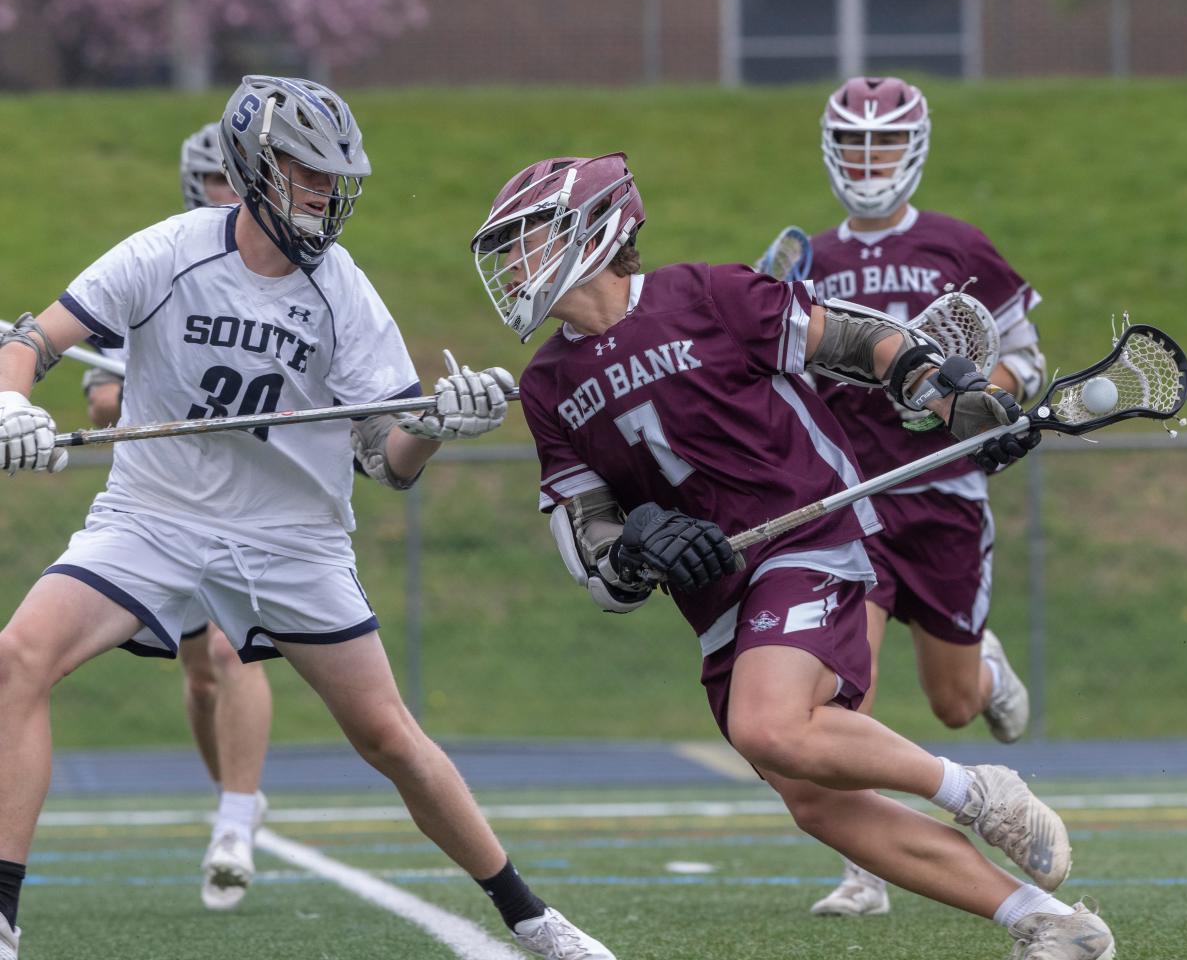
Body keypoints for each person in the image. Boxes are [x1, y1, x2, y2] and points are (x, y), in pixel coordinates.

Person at [0, 75, 613, 960]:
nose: (326, 194)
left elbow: (388, 460)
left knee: (387, 736)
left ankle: (531, 918)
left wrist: (437, 426)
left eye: (335, 176)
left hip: (291, 538)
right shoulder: (169, 251)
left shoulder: (342, 290)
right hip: (153, 516)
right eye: (306, 171)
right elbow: (31, 341)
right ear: (254, 167)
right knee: (19, 658)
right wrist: (14, 407)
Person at [468, 152, 1116, 960]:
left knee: (767, 726)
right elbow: (594, 546)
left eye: (528, 237)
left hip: (807, 540)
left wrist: (944, 392)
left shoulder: (704, 294)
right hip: (719, 600)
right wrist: (639, 546)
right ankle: (1049, 923)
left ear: (594, 230)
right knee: (817, 802)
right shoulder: (548, 385)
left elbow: (851, 337)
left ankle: (980, 791)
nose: (514, 262)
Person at [803, 76, 1047, 918]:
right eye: (857, 144)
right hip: (848, 502)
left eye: (886, 143)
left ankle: (981, 663)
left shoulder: (957, 245)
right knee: (840, 694)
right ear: (835, 151)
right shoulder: (803, 259)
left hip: (943, 495)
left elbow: (1026, 356)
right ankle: (863, 874)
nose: (871, 160)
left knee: (951, 708)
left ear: (915, 147)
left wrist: (988, 391)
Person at [79, 120, 275, 912]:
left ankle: (236, 818)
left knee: (235, 654)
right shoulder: (165, 263)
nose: (231, 194)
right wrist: (124, 399)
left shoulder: (289, 276)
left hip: (251, 508)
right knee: (199, 679)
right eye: (220, 179)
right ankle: (234, 797)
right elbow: (100, 399)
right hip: (164, 507)